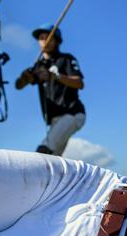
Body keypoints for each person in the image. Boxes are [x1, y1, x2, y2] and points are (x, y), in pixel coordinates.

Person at [15, 24, 85, 156]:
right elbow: (18, 86)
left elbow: (79, 83)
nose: (44, 41)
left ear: (57, 40)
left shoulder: (66, 59)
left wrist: (55, 76)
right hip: (53, 120)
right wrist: (25, 78)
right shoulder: (39, 66)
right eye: (41, 38)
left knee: (43, 151)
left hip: (72, 113)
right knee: (54, 161)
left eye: (48, 38)